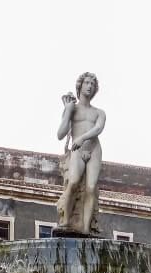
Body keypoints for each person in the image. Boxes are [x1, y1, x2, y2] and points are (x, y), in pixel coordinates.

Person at [56, 72, 106, 235]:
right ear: (80, 85)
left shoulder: (99, 112)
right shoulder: (72, 108)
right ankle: (65, 221)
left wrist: (82, 138)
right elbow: (60, 134)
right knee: (73, 182)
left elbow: (98, 129)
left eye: (93, 84)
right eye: (87, 83)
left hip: (93, 149)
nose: (90, 86)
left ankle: (85, 228)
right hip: (77, 150)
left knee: (91, 188)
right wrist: (67, 110)